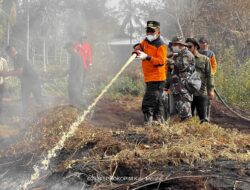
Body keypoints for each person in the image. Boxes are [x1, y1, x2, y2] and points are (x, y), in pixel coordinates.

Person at [133, 21, 167, 125]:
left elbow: (161, 62)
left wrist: (147, 57)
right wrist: (136, 51)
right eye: (148, 31)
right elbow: (140, 47)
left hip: (157, 79)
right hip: (149, 77)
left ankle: (149, 123)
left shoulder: (161, 45)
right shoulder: (146, 41)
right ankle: (158, 123)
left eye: (152, 31)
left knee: (149, 102)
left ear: (158, 32)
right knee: (157, 101)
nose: (149, 33)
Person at [2, 46, 43, 117]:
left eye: (8, 54)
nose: (8, 56)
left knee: (38, 98)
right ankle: (25, 116)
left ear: (11, 52)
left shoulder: (19, 58)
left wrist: (5, 73)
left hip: (33, 81)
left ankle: (45, 113)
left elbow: (19, 72)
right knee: (24, 99)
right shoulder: (16, 58)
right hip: (26, 82)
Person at [186, 38, 215, 123]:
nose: (188, 49)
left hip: (201, 93)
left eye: (189, 47)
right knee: (187, 119)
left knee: (203, 119)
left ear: (195, 47)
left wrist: (211, 90)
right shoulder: (184, 59)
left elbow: (210, 76)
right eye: (186, 47)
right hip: (188, 94)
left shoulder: (204, 59)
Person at [169, 36, 195, 121]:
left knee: (185, 107)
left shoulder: (187, 54)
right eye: (173, 44)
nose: (174, 46)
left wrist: (170, 61)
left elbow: (182, 66)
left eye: (176, 44)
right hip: (177, 86)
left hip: (184, 86)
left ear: (181, 45)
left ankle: (187, 126)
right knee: (179, 108)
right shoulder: (178, 55)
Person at [199, 37, 217, 121]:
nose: (201, 44)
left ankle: (207, 117)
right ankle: (199, 117)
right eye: (200, 42)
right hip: (199, 80)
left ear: (207, 43)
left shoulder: (211, 54)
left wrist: (210, 74)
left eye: (202, 42)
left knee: (208, 97)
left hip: (208, 79)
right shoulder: (197, 52)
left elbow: (214, 66)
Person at [65, 42, 85, 108]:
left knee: (75, 94)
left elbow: (74, 68)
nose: (67, 50)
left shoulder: (75, 55)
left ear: (71, 47)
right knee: (73, 94)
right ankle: (73, 108)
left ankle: (84, 107)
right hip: (76, 78)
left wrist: (66, 72)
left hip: (76, 79)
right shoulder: (76, 55)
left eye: (67, 48)